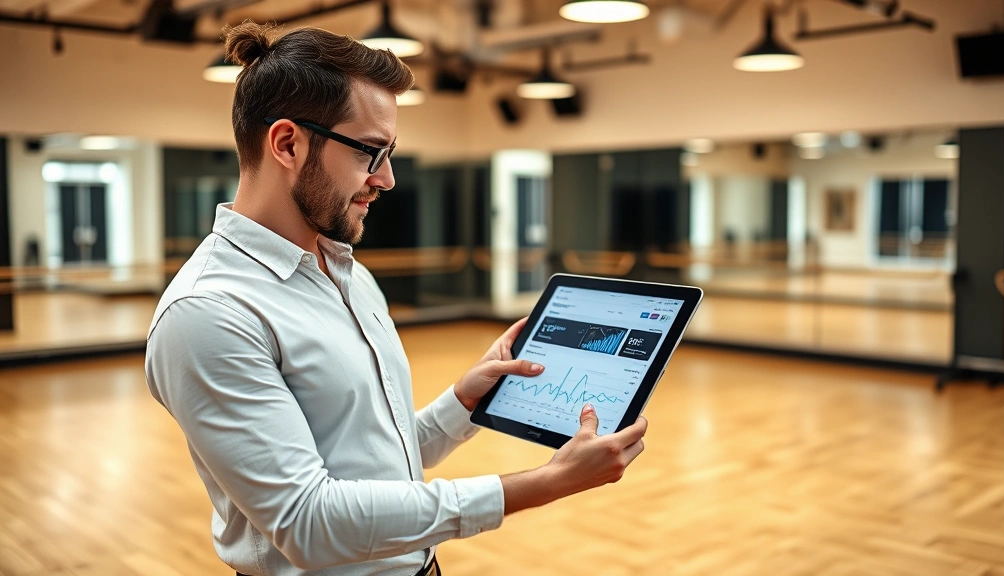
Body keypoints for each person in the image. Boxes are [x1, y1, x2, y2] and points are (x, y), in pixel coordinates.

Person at [145, 21, 648, 576]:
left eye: (389, 154)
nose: (385, 179)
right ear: (287, 143)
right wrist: (542, 484)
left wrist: (463, 405)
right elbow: (309, 524)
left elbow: (373, 458)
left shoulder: (347, 273)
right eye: (369, 152)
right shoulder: (208, 313)